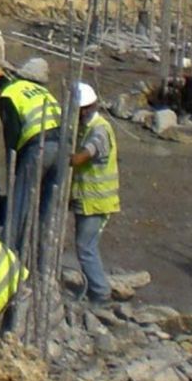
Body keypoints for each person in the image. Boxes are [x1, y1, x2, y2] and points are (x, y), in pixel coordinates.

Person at [0, 67, 63, 261]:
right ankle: (40, 264)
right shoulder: (35, 88)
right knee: (45, 211)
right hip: (62, 148)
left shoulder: (7, 95)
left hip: (38, 147)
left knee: (18, 208)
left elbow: (12, 138)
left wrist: (15, 172)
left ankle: (5, 259)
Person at [68, 82, 120, 305]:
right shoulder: (86, 126)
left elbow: (84, 156)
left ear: (85, 109)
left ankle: (100, 293)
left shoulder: (99, 129)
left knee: (85, 247)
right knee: (86, 246)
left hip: (97, 201)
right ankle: (96, 288)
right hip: (86, 199)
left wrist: (65, 157)